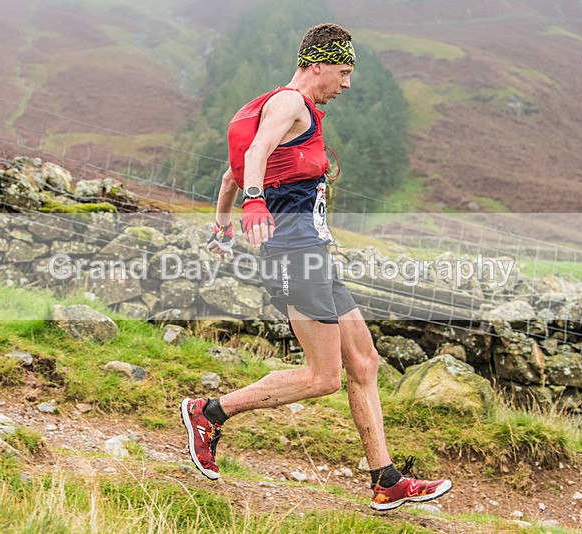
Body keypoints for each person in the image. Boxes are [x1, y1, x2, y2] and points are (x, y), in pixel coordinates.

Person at [181, 22, 452, 511]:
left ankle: (386, 480)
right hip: (292, 254)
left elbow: (229, 175)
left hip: (314, 254)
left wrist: (222, 229)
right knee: (322, 377)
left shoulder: (286, 111)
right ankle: (208, 413)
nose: (346, 84)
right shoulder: (289, 103)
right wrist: (256, 203)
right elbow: (256, 155)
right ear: (317, 65)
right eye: (343, 71)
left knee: (364, 362)